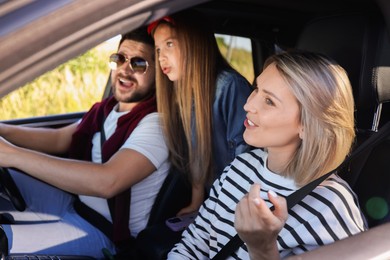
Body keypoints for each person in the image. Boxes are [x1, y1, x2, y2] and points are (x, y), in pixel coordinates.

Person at [167, 51, 367, 259]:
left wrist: (262, 249)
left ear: (307, 125)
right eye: (256, 89)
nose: (248, 105)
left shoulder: (330, 207)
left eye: (269, 101)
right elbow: (193, 246)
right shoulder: (240, 166)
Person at [0, 27, 169, 258]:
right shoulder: (107, 109)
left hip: (104, 232)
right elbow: (61, 138)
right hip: (75, 204)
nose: (125, 70)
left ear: (158, 73)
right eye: (119, 59)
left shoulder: (157, 125)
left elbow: (107, 181)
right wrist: (3, 130)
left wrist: (13, 155)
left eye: (139, 64)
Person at [148, 10, 253, 215]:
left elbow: (244, 158)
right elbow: (199, 155)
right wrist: (196, 203)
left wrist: (221, 212)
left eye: (169, 44)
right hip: (213, 202)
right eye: (158, 49)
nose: (162, 57)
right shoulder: (184, 95)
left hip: (236, 203)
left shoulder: (229, 87)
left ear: (195, 42)